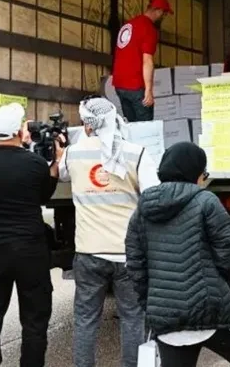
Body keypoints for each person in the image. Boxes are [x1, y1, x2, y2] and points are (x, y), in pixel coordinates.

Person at [126, 142, 230, 367]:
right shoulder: (206, 201)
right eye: (204, 174)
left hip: (167, 321)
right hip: (211, 313)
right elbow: (228, 251)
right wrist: (216, 284)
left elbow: (135, 264)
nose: (204, 180)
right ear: (194, 173)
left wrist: (152, 301)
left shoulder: (142, 209)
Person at [57, 97, 157, 367]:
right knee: (133, 317)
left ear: (87, 124)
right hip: (128, 253)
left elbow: (61, 173)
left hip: (89, 253)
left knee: (85, 319)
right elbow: (153, 197)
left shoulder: (73, 154)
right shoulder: (136, 153)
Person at [0, 103, 63, 367]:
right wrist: (55, 162)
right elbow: (44, 195)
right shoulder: (35, 164)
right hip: (29, 251)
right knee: (34, 320)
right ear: (18, 132)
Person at [111, 0, 173, 122]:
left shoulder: (128, 25)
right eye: (164, 14)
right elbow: (147, 61)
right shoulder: (148, 28)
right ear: (158, 11)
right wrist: (149, 90)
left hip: (119, 85)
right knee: (146, 129)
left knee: (131, 127)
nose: (163, 18)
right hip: (135, 85)